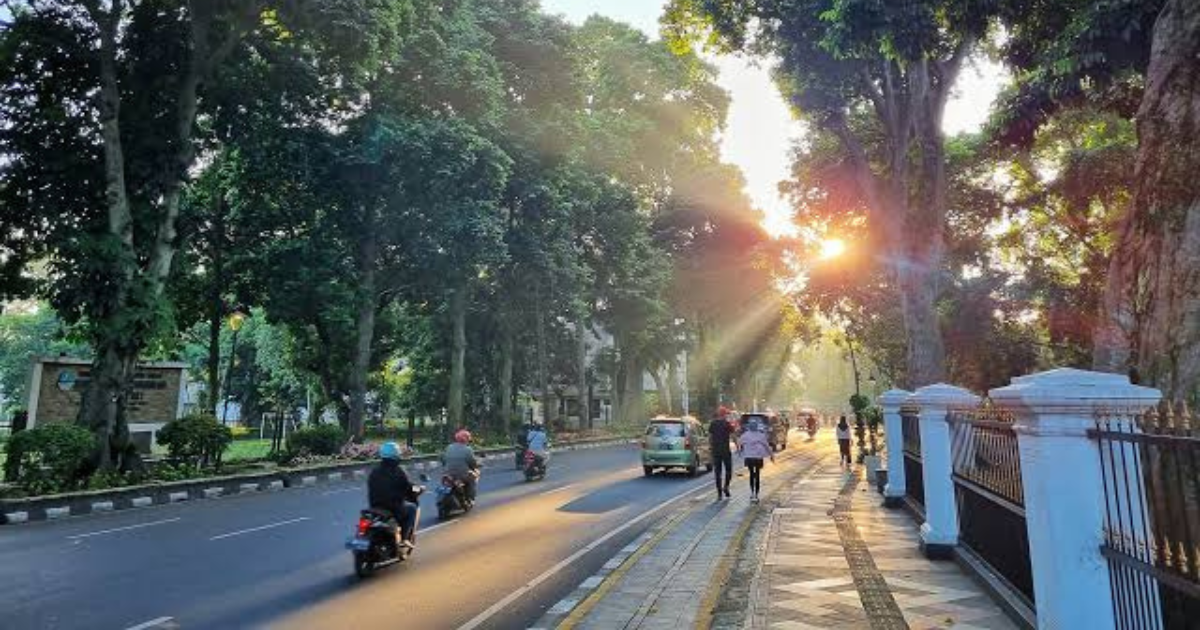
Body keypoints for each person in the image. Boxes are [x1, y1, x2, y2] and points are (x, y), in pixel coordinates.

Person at [367, 442, 421, 548]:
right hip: (393, 508)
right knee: (412, 508)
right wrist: (419, 489)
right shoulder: (398, 471)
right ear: (396, 456)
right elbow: (408, 487)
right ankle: (405, 538)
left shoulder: (375, 471)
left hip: (375, 507)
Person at [738, 418, 774, 503]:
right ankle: (756, 494)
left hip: (749, 458)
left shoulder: (745, 435)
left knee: (751, 474)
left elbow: (739, 444)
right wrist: (771, 456)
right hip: (758, 458)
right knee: (757, 474)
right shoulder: (761, 435)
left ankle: (752, 492)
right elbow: (767, 446)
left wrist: (741, 452)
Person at [443, 429, 481, 501]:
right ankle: (470, 496)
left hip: (449, 474)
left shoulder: (449, 447)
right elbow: (472, 462)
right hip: (463, 475)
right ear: (466, 439)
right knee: (475, 475)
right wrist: (476, 466)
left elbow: (444, 460)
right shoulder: (468, 449)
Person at [709, 407, 735, 499]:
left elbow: (710, 437)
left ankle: (719, 493)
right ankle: (726, 487)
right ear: (724, 415)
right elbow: (733, 433)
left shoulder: (713, 423)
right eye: (726, 414)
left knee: (717, 472)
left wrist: (711, 448)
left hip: (716, 451)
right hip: (725, 451)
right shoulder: (727, 423)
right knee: (729, 470)